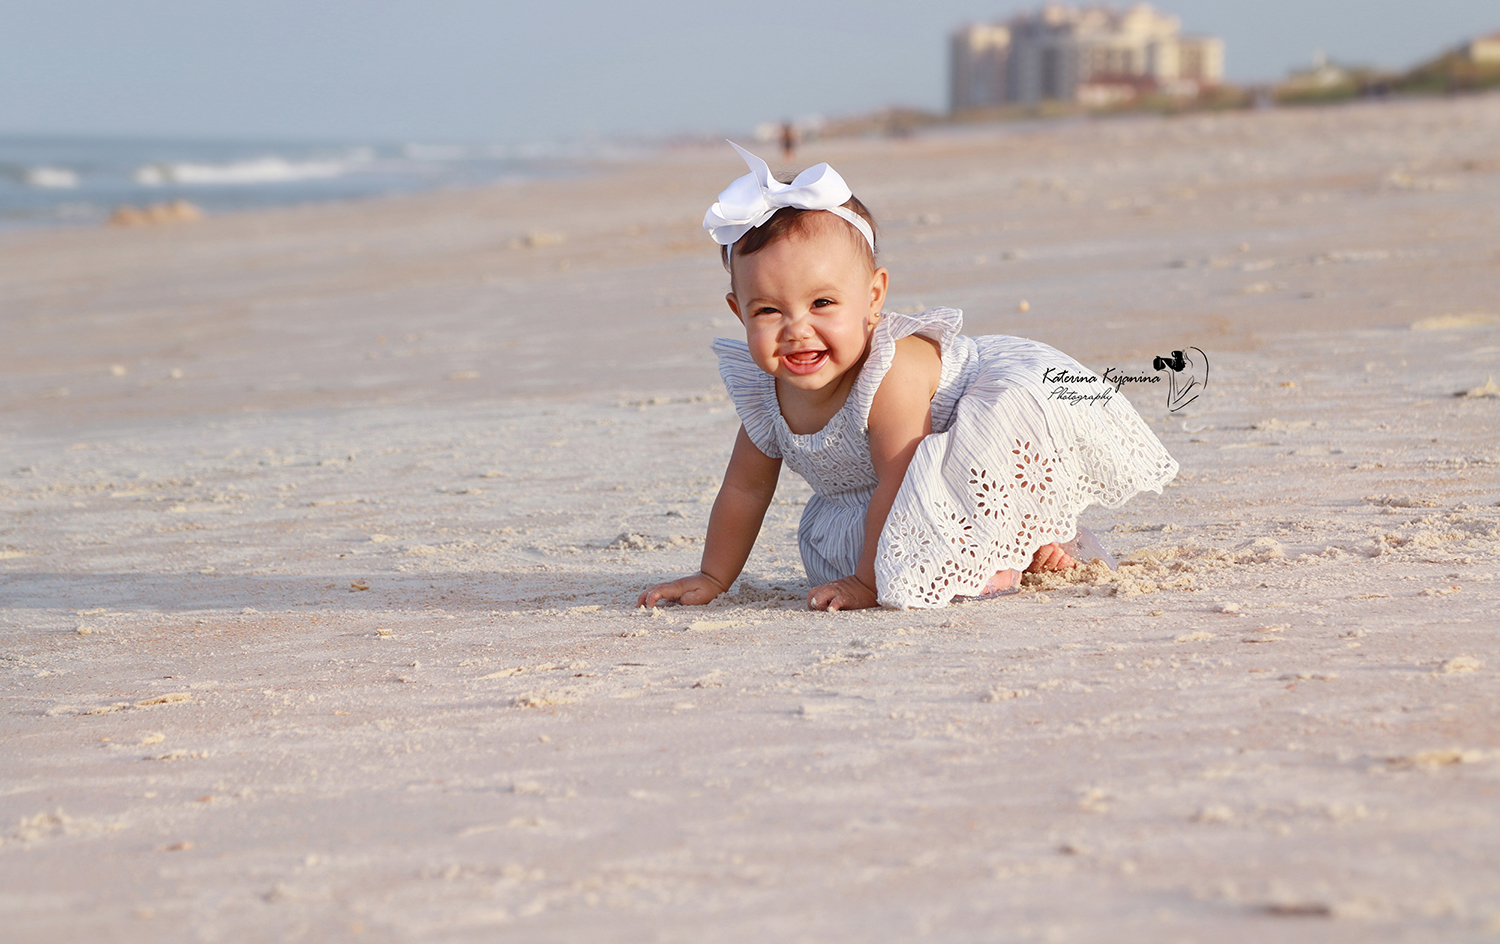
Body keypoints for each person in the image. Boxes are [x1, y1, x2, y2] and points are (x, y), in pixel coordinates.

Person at [639, 144, 1177, 610]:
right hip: (890, 488)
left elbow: (904, 482)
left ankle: (1034, 537)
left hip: (978, 425)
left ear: (873, 298)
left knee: (967, 477)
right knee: (866, 548)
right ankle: (1003, 551)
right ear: (739, 312)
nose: (797, 330)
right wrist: (714, 576)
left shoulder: (887, 373)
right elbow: (744, 489)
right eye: (768, 312)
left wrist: (870, 581)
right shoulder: (766, 397)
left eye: (823, 302)